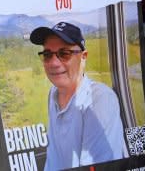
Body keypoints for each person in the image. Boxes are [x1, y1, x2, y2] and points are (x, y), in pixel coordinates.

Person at [30, 22, 128, 169]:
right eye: (47, 55)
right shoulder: (53, 93)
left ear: (83, 57)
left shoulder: (99, 100)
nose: (54, 63)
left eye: (64, 53)